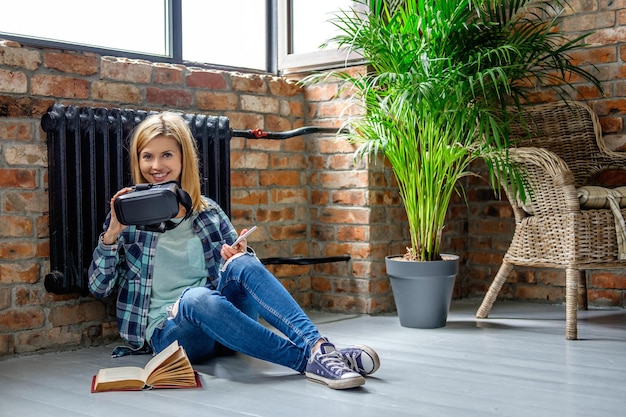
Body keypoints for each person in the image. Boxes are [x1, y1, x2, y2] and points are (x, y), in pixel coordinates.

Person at [88, 111, 380, 390]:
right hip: (173, 334)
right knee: (195, 297)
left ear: (182, 159)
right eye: (147, 156)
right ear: (138, 161)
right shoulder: (127, 216)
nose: (156, 166)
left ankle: (318, 348)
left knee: (243, 262)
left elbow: (244, 278)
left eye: (166, 155)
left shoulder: (208, 212)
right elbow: (99, 288)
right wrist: (112, 234)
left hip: (226, 324)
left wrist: (238, 254)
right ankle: (311, 361)